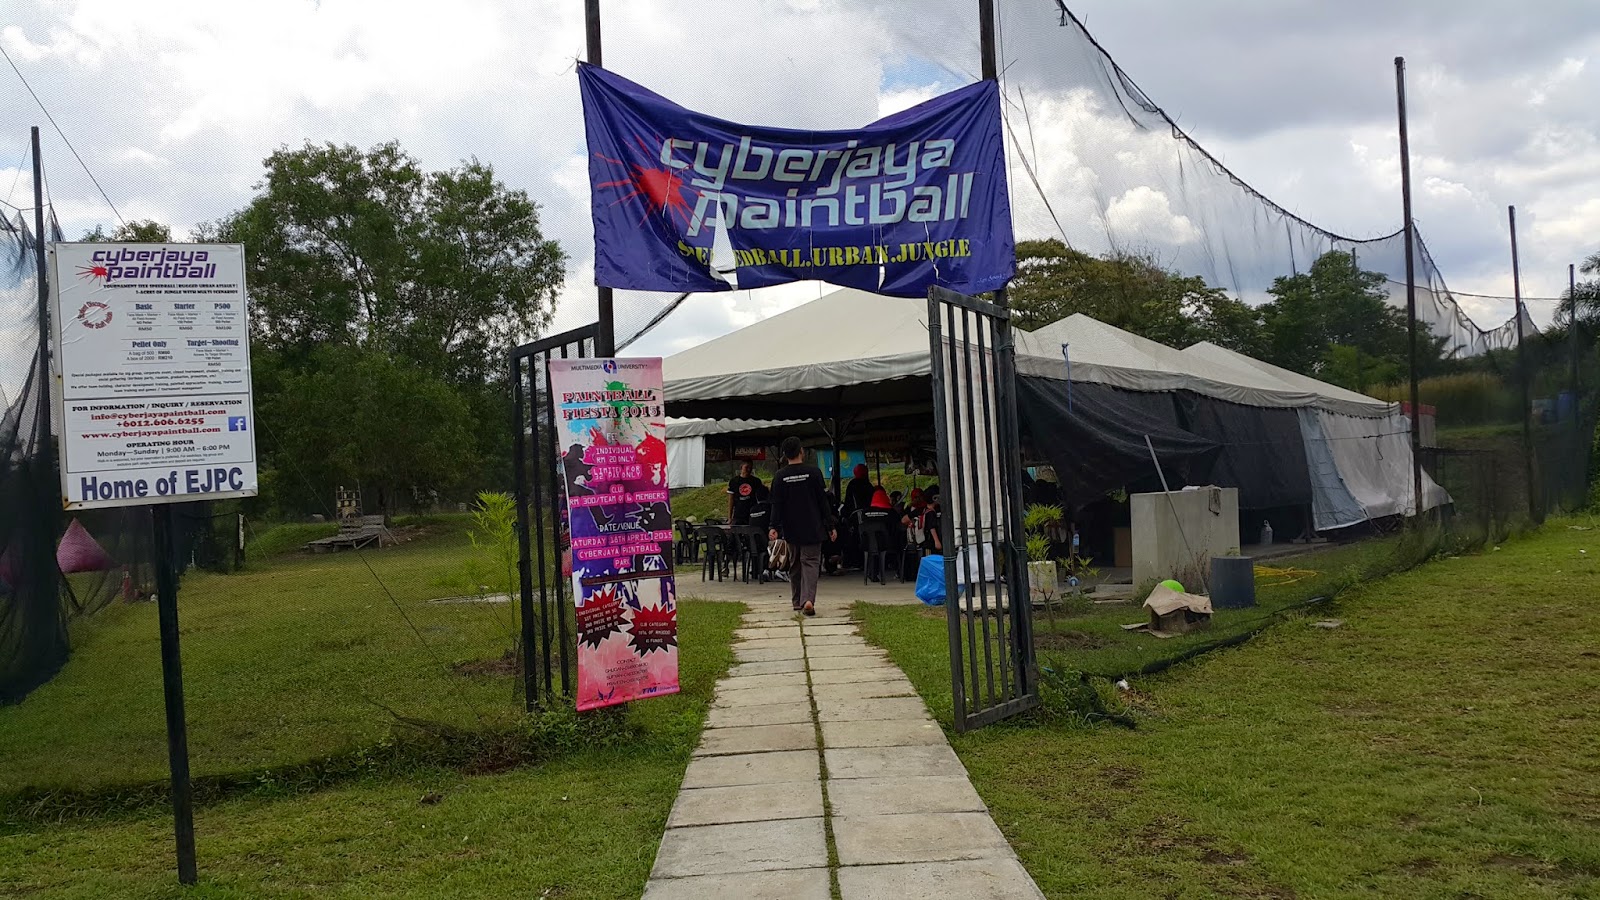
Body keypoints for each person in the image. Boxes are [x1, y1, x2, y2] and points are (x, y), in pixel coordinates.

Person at [769, 437, 837, 616]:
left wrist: (773, 526)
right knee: (811, 562)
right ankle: (808, 600)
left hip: (791, 528)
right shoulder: (814, 473)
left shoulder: (780, 476)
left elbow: (776, 504)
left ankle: (797, 600)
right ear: (801, 451)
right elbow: (823, 502)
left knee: (795, 563)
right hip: (813, 527)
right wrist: (830, 525)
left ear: (785, 455)